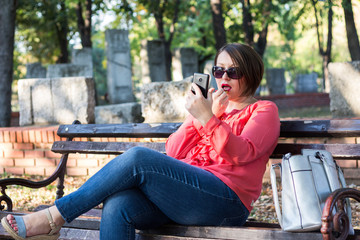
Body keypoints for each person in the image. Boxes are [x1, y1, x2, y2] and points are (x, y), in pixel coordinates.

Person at [1, 43, 280, 240]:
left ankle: (53, 218)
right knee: (119, 205)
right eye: (219, 71)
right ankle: (54, 220)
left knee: (138, 158)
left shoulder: (264, 111)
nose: (224, 78)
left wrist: (209, 118)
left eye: (233, 72)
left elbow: (241, 154)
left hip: (226, 204)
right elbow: (174, 150)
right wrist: (201, 117)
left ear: (251, 74)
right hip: (186, 198)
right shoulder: (212, 109)